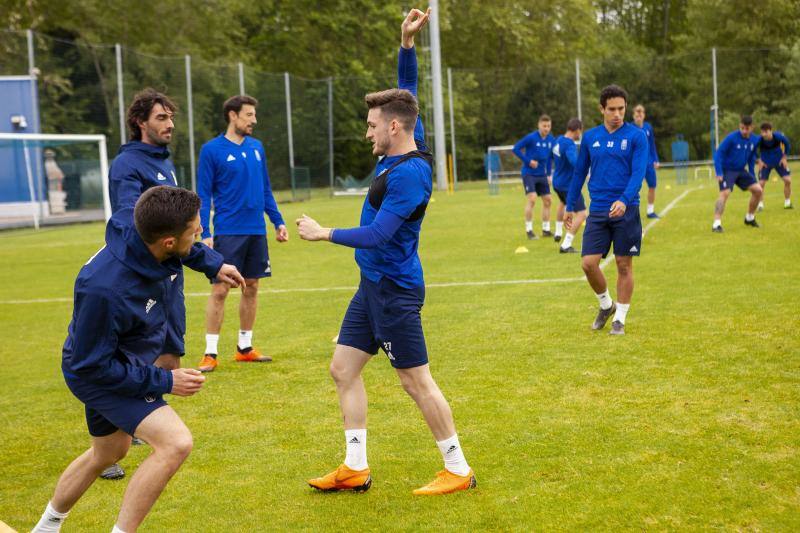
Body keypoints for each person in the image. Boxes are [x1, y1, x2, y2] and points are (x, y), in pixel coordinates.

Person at [297, 9, 476, 496]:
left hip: (395, 290)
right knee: (343, 368)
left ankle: (458, 468)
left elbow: (376, 235)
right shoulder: (401, 140)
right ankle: (355, 467)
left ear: (394, 129)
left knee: (416, 383)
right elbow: (406, 98)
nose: (368, 132)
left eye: (373, 125)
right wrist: (406, 45)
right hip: (371, 287)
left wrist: (324, 232)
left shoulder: (411, 175)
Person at [32, 187, 216, 533]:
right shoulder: (103, 290)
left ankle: (45, 527)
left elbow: (186, 249)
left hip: (119, 363)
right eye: (196, 230)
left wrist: (215, 265)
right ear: (167, 243)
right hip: (99, 374)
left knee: (108, 453)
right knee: (175, 443)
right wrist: (166, 381)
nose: (201, 234)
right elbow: (92, 366)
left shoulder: (139, 226)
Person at [102, 88, 243, 480]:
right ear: (140, 122)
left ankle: (146, 429)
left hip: (169, 280)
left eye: (171, 118)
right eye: (161, 118)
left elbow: (179, 234)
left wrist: (213, 264)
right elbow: (135, 226)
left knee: (169, 354)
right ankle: (106, 449)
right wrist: (207, 262)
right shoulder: (127, 166)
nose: (170, 125)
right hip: (139, 282)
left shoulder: (164, 164)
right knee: (126, 361)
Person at [196, 95, 289, 372]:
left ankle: (244, 347)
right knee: (221, 289)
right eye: (249, 115)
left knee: (252, 287)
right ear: (233, 116)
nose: (254, 120)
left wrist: (278, 221)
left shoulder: (257, 148)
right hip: (228, 231)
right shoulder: (211, 150)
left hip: (255, 231)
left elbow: (265, 190)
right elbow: (203, 193)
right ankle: (210, 353)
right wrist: (205, 231)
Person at [565, 85, 648, 336]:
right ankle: (606, 305)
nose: (617, 114)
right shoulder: (590, 137)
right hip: (598, 209)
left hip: (626, 209)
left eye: (621, 109)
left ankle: (619, 319)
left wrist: (624, 199)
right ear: (602, 109)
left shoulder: (636, 137)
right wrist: (570, 205)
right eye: (611, 109)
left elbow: (638, 173)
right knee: (588, 264)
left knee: (624, 264)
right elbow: (579, 171)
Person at [712, 115, 763, 232]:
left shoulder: (755, 140)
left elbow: (751, 157)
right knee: (725, 193)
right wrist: (719, 171)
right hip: (727, 170)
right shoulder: (731, 138)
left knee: (758, 190)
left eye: (747, 128)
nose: (744, 131)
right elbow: (718, 154)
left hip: (740, 170)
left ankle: (749, 218)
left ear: (752, 127)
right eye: (742, 128)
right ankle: (716, 224)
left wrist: (752, 174)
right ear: (740, 126)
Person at [513, 115, 555, 239]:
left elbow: (548, 159)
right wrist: (528, 161)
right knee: (532, 199)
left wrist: (548, 175)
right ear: (539, 125)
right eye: (544, 126)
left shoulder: (551, 140)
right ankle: (529, 231)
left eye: (548, 126)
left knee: (548, 200)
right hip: (529, 173)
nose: (546, 128)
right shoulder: (531, 138)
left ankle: (546, 230)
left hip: (542, 175)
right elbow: (516, 149)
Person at [551, 118, 585, 253]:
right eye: (580, 131)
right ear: (577, 130)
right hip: (568, 185)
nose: (580, 134)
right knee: (582, 214)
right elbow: (575, 162)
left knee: (562, 203)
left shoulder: (558, 140)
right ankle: (566, 244)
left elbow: (551, 156)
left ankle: (558, 231)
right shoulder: (570, 145)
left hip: (557, 182)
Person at [632, 104, 660, 218]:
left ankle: (650, 211)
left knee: (652, 185)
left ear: (644, 115)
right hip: (635, 163)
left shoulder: (648, 127)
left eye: (641, 113)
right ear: (633, 115)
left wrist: (656, 159)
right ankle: (631, 212)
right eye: (637, 113)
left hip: (648, 162)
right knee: (633, 187)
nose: (639, 116)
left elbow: (652, 144)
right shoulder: (629, 128)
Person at [756, 122, 792, 210]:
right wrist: (759, 160)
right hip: (765, 163)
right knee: (761, 183)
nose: (763, 134)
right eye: (762, 132)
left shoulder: (778, 137)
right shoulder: (759, 140)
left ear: (771, 131)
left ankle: (787, 202)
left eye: (766, 132)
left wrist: (784, 157)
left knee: (787, 180)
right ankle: (760, 204)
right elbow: (752, 150)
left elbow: (787, 145)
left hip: (779, 161)